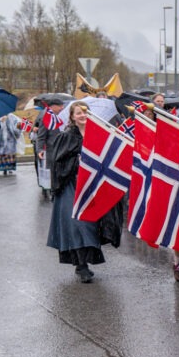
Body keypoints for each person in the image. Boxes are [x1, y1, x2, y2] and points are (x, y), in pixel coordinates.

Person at [45, 102, 122, 282]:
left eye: (85, 112)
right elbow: (57, 163)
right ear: (72, 117)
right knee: (78, 224)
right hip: (71, 185)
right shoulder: (65, 137)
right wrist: (77, 161)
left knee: (91, 224)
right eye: (78, 113)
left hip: (92, 187)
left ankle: (84, 261)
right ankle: (82, 266)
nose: (82, 116)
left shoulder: (99, 134)